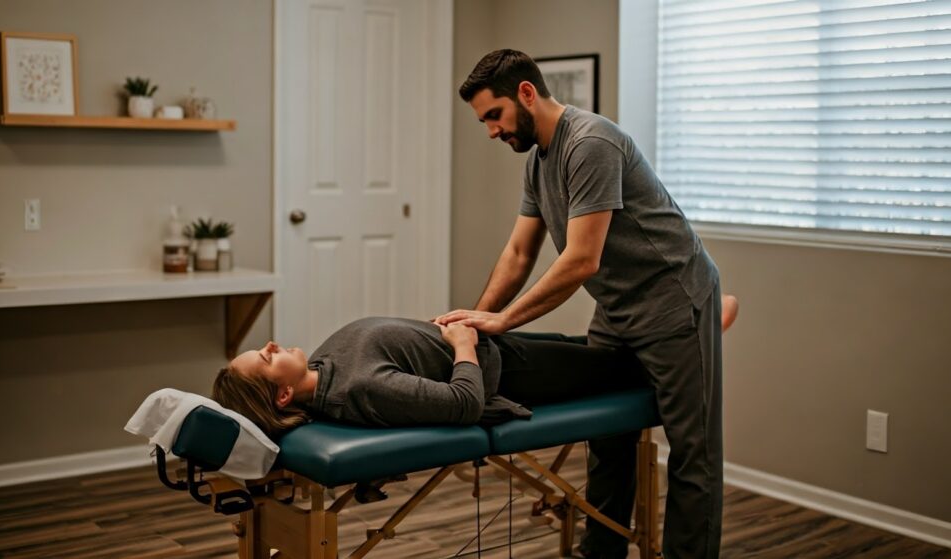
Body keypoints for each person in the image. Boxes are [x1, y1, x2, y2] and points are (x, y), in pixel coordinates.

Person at [436, 49, 729, 559]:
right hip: (617, 310)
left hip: (674, 304)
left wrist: (504, 319)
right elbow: (519, 251)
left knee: (692, 456)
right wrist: (478, 320)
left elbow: (580, 261)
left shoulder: (590, 143)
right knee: (607, 443)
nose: (490, 131)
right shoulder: (539, 161)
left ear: (526, 93)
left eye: (493, 116)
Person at [212, 316, 652, 440]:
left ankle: (682, 329)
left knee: (593, 345)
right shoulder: (359, 389)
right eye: (265, 359)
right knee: (623, 367)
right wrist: (461, 345)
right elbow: (463, 404)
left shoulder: (322, 367)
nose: (270, 344)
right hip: (510, 371)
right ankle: (691, 340)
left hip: (491, 343)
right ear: (285, 395)